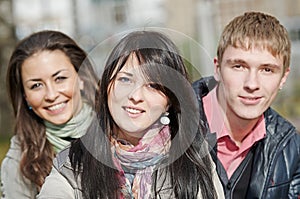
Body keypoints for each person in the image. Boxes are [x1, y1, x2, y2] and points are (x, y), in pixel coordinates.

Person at [37, 30, 225, 198]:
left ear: (170, 100)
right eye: (125, 79)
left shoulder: (193, 158)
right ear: (107, 87)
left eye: (153, 85)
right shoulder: (73, 161)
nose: (135, 96)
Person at [192, 11, 300, 199]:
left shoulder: (290, 148)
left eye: (267, 70)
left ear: (283, 78)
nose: (252, 84)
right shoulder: (169, 127)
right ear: (217, 69)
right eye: (239, 66)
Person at [0, 30, 98, 199]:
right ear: (25, 97)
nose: (51, 95)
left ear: (81, 77)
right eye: (36, 85)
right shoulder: (20, 160)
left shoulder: (121, 130)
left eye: (59, 78)